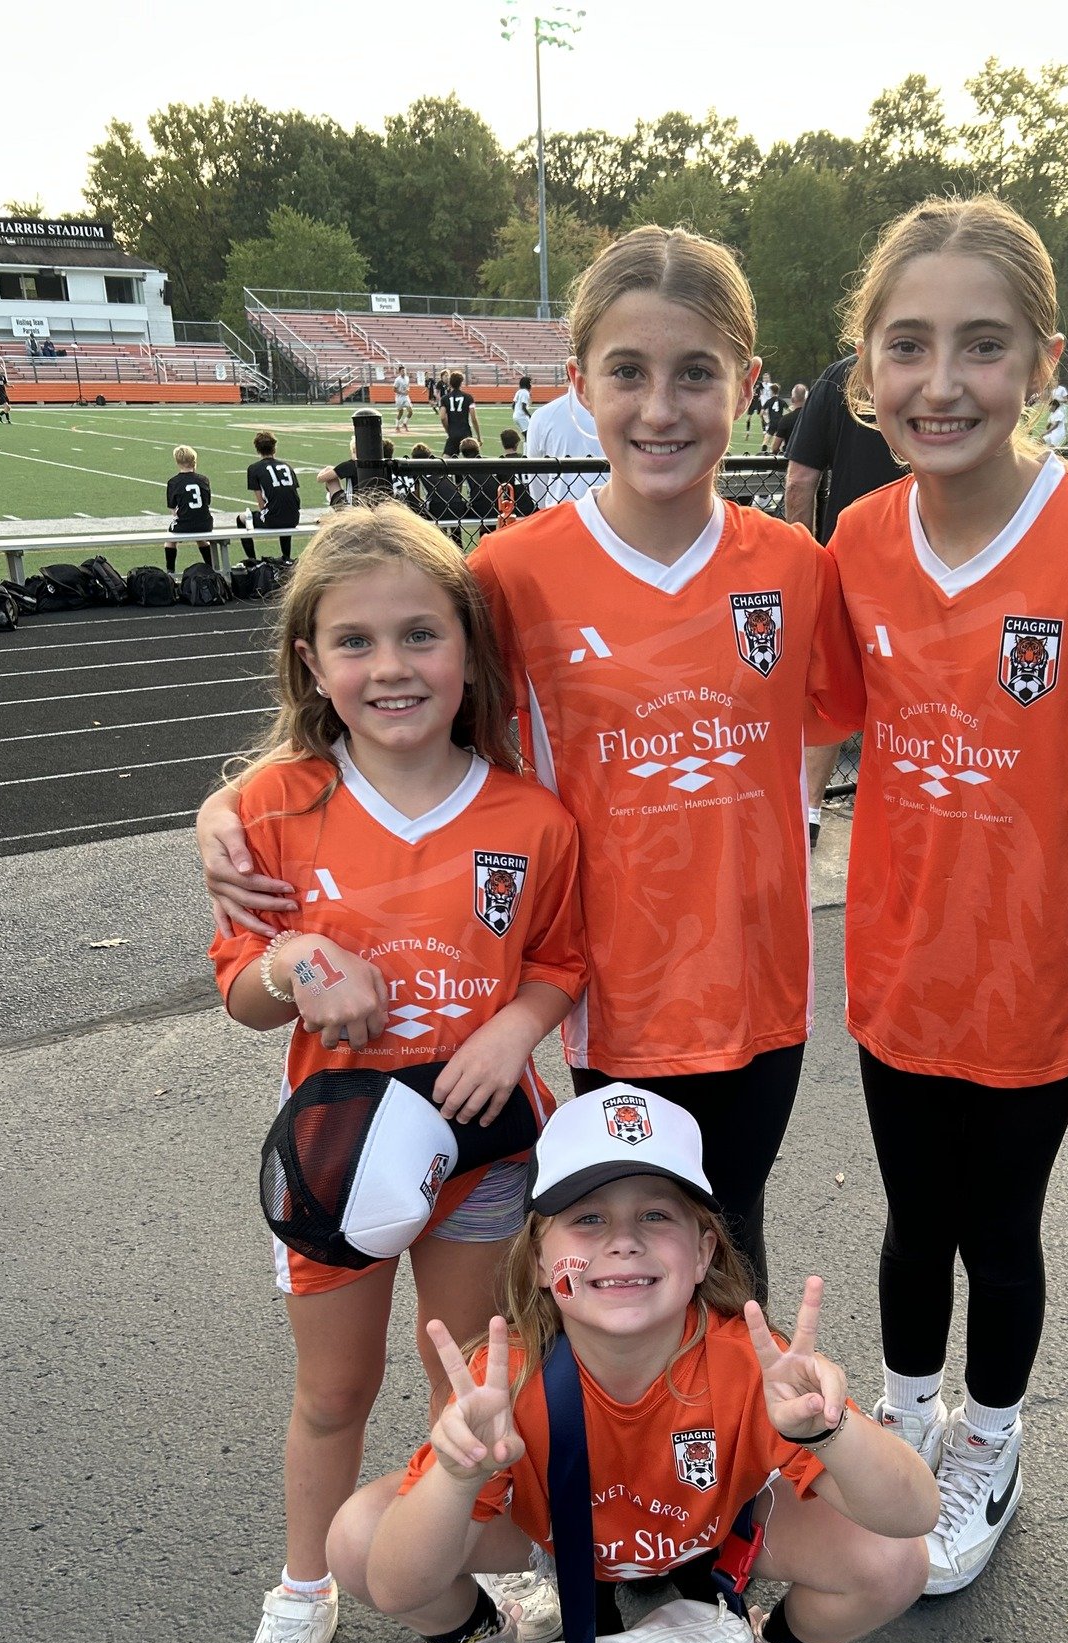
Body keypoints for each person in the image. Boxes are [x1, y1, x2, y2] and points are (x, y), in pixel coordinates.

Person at [198, 225, 861, 1301]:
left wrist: (795, 819)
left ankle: (739, 1415)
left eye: (696, 374)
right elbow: (390, 708)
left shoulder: (794, 566)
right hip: (608, 989)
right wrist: (227, 802)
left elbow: (831, 715)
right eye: (628, 373)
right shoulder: (512, 573)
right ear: (579, 382)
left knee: (733, 1239)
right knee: (629, 1256)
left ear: (746, 384)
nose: (660, 408)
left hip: (761, 983)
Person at [828, 195, 1068, 1598]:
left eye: (982, 346)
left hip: (1037, 994)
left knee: (998, 1235)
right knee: (907, 1224)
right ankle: (904, 1421)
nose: (943, 382)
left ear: (1045, 363)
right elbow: (767, 719)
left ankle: (989, 1443)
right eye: (909, 345)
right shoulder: (857, 539)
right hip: (897, 973)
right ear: (867, 365)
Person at [208, 502, 586, 1643]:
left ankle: (469, 1568)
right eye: (355, 641)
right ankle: (302, 1593)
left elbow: (560, 960)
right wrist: (299, 960)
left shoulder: (530, 818)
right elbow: (242, 988)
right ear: (311, 663)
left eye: (420, 634)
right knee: (335, 1390)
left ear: (468, 649)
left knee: (467, 1378)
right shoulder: (275, 806)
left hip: (485, 1151)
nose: (391, 666)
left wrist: (515, 1026)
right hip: (336, 1163)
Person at [324, 1085, 937, 1643]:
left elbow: (915, 1515)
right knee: (358, 1538)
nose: (623, 1240)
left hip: (717, 1529)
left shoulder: (749, 1364)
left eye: (655, 1214)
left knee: (895, 1562)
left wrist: (830, 1432)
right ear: (537, 1259)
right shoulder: (505, 1383)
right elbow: (396, 1584)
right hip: (548, 1537)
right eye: (587, 1218)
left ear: (703, 1253)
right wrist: (459, 1477)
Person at [785, 355, 905, 849]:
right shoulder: (938, 370)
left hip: (849, 558)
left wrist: (806, 561)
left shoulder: (840, 375)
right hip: (938, 554)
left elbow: (799, 479)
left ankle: (809, 808)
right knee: (915, 692)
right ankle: (907, 805)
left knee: (833, 684)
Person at [523, 378, 605, 504]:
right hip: (611, 511)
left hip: (560, 506)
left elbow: (537, 487)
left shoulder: (543, 416)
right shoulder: (543, 416)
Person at [238, 429, 302, 562]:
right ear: (274, 448)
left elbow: (261, 504)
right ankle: (286, 556)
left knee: (241, 518)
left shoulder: (254, 468)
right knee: (284, 509)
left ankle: (253, 560)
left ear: (257, 449)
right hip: (294, 518)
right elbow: (292, 495)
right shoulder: (287, 466)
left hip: (273, 519)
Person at [164, 444, 213, 572]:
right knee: (202, 540)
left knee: (169, 540)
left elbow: (173, 509)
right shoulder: (204, 480)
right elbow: (207, 502)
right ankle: (211, 567)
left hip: (184, 524)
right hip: (205, 524)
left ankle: (170, 571)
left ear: (177, 462)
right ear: (194, 461)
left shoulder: (173, 482)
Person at [439, 371, 479, 456]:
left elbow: (442, 417)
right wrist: (478, 436)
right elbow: (473, 418)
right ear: (461, 383)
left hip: (453, 433)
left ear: (450, 383)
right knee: (472, 459)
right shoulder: (468, 397)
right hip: (466, 433)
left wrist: (448, 430)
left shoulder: (444, 398)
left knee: (446, 459)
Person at [393, 366, 413, 431]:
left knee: (410, 411)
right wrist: (402, 392)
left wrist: (408, 390)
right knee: (400, 413)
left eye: (404, 371)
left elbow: (408, 386)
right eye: (402, 371)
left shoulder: (407, 378)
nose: (404, 372)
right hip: (399, 398)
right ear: (399, 372)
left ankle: (404, 422)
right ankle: (397, 426)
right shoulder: (397, 380)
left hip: (406, 397)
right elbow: (394, 389)